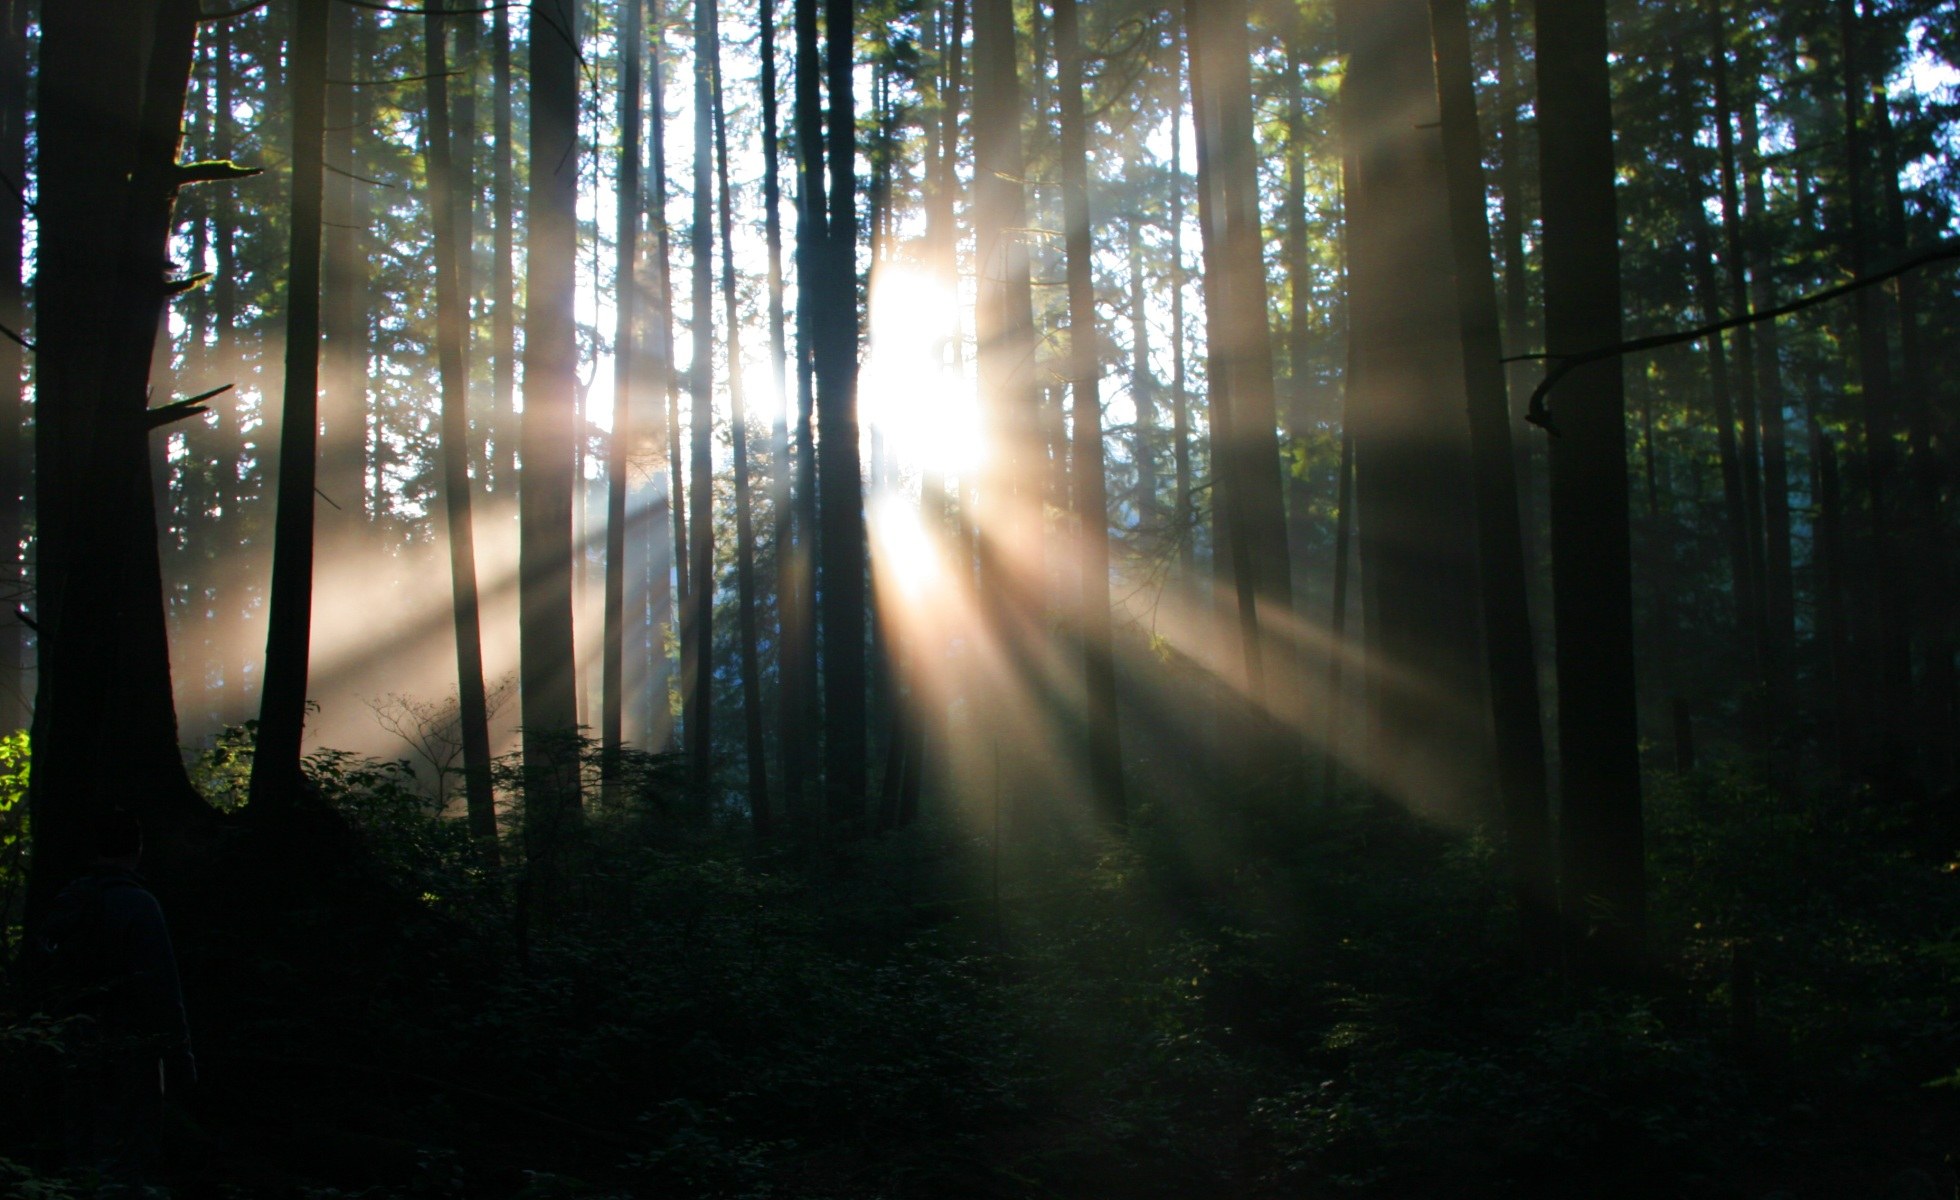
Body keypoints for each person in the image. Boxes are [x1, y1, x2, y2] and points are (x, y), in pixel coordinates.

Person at [39, 809, 195, 1196]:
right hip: (132, 1044)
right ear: (137, 849)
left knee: (81, 1138)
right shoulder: (140, 905)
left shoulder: (70, 899)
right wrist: (181, 1055)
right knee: (128, 1147)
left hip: (74, 1037)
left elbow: (43, 963)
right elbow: (164, 985)